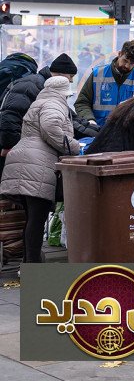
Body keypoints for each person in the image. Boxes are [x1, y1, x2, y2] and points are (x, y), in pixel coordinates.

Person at [0, 57, 79, 263]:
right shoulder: (54, 103)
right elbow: (51, 128)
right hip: (38, 165)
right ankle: (32, 266)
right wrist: (74, 147)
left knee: (31, 218)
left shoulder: (40, 100)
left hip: (23, 159)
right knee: (37, 218)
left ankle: (29, 262)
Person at [73, 40, 134, 137]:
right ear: (119, 54)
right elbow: (82, 102)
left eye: (132, 63)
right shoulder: (98, 74)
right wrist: (90, 121)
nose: (127, 66)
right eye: (125, 60)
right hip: (98, 133)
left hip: (128, 136)